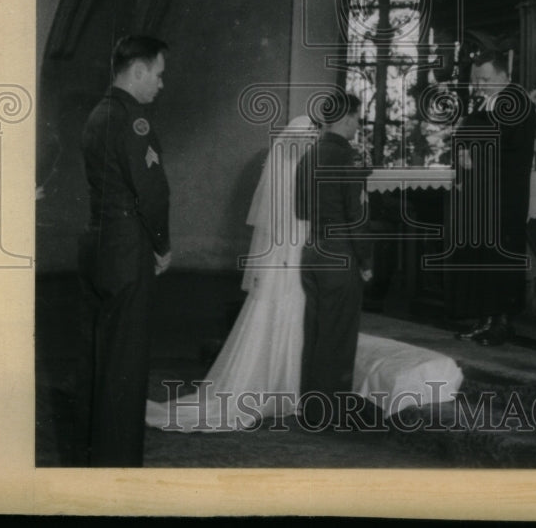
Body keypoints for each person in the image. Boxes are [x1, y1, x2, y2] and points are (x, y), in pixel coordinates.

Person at [144, 111, 463, 432]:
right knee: (306, 322)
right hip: (304, 256)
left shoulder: (298, 171)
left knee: (302, 323)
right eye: (314, 138)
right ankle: (297, 392)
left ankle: (296, 390)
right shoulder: (309, 169)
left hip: (300, 256)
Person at [77, 34, 171, 467]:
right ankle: (118, 465)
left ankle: (99, 456)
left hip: (100, 246)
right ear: (138, 71)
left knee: (104, 357)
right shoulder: (135, 121)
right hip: (130, 252)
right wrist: (162, 245)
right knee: (127, 364)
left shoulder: (97, 114)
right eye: (158, 73)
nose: (160, 84)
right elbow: (152, 194)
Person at [295, 93, 374, 425]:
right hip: (340, 255)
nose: (358, 124)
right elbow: (356, 217)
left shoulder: (308, 155)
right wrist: (366, 261)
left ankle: (312, 409)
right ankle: (331, 414)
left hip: (312, 252)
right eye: (357, 118)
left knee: (315, 333)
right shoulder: (349, 158)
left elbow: (300, 209)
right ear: (345, 119)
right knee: (338, 336)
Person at [450, 51, 536, 347]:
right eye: (477, 81)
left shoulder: (518, 103)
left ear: (503, 76)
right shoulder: (486, 104)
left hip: (504, 196)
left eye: (485, 79)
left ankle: (502, 323)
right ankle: (484, 319)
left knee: (500, 256)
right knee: (482, 257)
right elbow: (465, 137)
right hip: (482, 194)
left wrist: (475, 155)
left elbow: (510, 149)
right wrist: (462, 154)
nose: (480, 85)